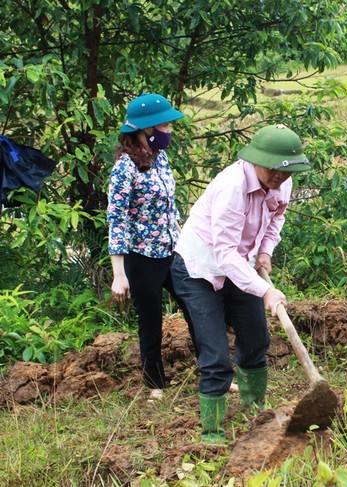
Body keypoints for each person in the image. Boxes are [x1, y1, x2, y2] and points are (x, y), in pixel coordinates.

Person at [171, 124, 311, 443]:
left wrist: (264, 251)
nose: (279, 177)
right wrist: (266, 290)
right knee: (216, 354)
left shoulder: (282, 184)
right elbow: (223, 253)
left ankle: (254, 409)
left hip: (242, 263)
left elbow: (277, 218)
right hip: (200, 268)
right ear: (257, 158)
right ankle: (212, 433)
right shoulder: (232, 187)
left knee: (256, 338)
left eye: (286, 172)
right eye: (274, 169)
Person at [107, 93, 198, 400]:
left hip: (171, 251)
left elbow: (170, 207)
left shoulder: (160, 159)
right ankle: (155, 385)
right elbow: (116, 219)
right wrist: (119, 274)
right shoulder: (124, 169)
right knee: (151, 321)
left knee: (196, 308)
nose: (169, 132)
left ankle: (214, 373)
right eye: (165, 126)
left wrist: (184, 238)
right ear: (146, 130)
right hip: (141, 257)